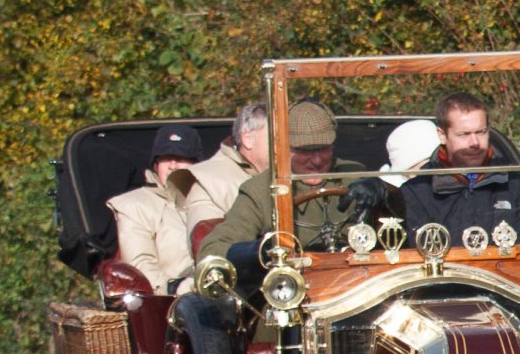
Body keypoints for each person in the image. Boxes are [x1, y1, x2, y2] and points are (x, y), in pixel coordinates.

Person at [199, 100, 366, 262]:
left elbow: (390, 233)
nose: (316, 160)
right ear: (282, 147)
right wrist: (260, 252)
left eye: (323, 149)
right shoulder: (262, 190)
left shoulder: (356, 176)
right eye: (304, 151)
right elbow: (212, 251)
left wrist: (386, 195)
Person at [401, 91, 520, 245]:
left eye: (481, 132)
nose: (474, 142)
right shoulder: (416, 193)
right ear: (442, 135)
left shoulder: (519, 187)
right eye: (464, 134)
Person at [106, 124, 205, 292]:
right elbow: (140, 265)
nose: (173, 165)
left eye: (181, 159)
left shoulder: (214, 199)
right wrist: (177, 288)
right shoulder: (134, 206)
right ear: (156, 164)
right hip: (166, 303)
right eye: (166, 158)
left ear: (196, 164)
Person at [172, 101, 269, 240]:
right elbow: (209, 250)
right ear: (248, 139)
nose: (287, 146)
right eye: (277, 137)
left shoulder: (294, 175)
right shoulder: (208, 181)